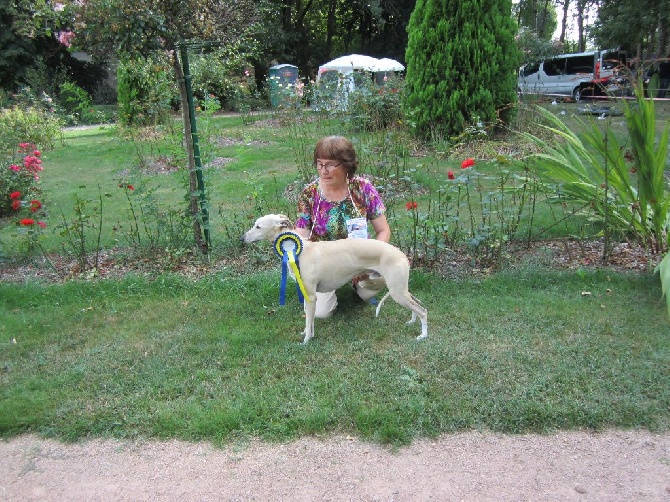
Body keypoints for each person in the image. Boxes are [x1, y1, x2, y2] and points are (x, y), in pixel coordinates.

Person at [295, 135, 390, 318]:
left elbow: (383, 230)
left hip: (358, 258)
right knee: (321, 313)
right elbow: (301, 235)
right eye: (320, 163)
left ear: (346, 164)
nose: (323, 170)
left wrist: (370, 261)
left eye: (330, 164)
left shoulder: (363, 189)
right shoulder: (310, 194)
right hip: (323, 263)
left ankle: (357, 285)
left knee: (380, 277)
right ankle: (327, 288)